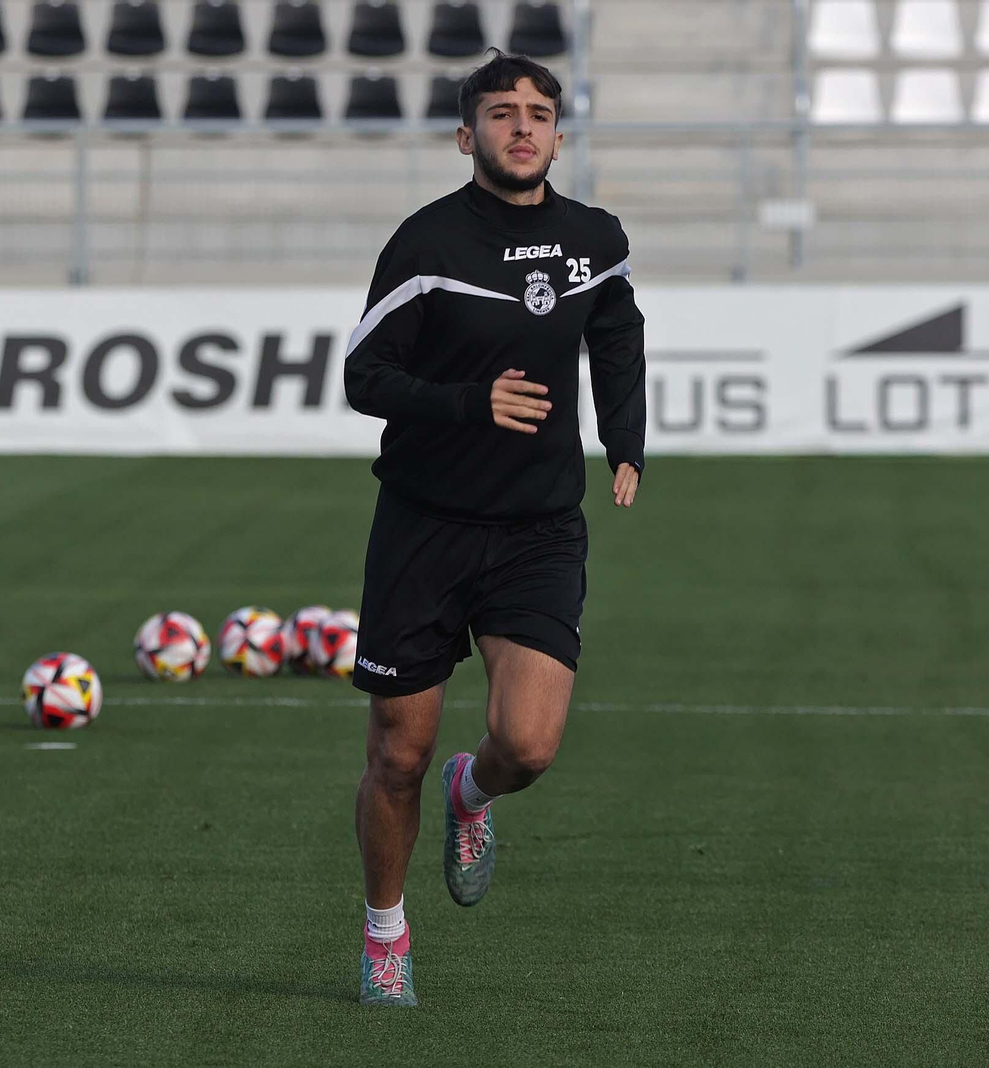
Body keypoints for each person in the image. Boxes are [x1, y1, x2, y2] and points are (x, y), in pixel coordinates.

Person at [344, 50, 646, 1007]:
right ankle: (385, 933)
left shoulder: (593, 238)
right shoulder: (426, 242)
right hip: (424, 526)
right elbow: (363, 377)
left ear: (559, 135)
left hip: (537, 530)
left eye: (539, 113)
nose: (522, 126)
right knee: (397, 754)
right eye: (502, 112)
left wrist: (626, 439)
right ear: (465, 134)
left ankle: (470, 793)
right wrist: (470, 402)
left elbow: (617, 332)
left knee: (530, 746)